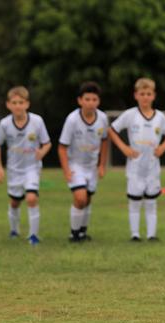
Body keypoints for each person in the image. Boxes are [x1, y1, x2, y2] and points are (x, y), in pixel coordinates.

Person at [108, 78, 165, 241]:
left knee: (151, 201)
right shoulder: (130, 115)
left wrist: (163, 147)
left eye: (148, 94)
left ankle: (151, 235)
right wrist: (124, 148)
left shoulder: (160, 117)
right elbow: (112, 130)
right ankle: (135, 234)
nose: (145, 97)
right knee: (134, 201)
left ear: (153, 96)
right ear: (136, 95)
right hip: (134, 167)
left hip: (152, 166)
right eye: (142, 94)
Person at [0, 86, 52, 245]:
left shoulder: (37, 121)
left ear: (27, 104)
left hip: (32, 168)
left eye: (21, 102)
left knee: (32, 198)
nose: (18, 105)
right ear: (8, 105)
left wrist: (42, 152)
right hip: (14, 169)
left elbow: (47, 143)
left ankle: (33, 236)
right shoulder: (5, 124)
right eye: (14, 102)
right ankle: (14, 230)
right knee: (14, 202)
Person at [57, 81, 109, 242]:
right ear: (80, 100)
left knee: (88, 198)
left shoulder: (102, 118)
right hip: (76, 165)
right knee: (80, 198)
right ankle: (73, 234)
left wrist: (101, 165)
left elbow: (105, 141)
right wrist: (66, 170)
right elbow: (62, 147)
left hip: (91, 166)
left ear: (98, 101)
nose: (91, 103)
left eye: (94, 99)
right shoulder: (72, 120)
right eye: (87, 99)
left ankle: (82, 232)